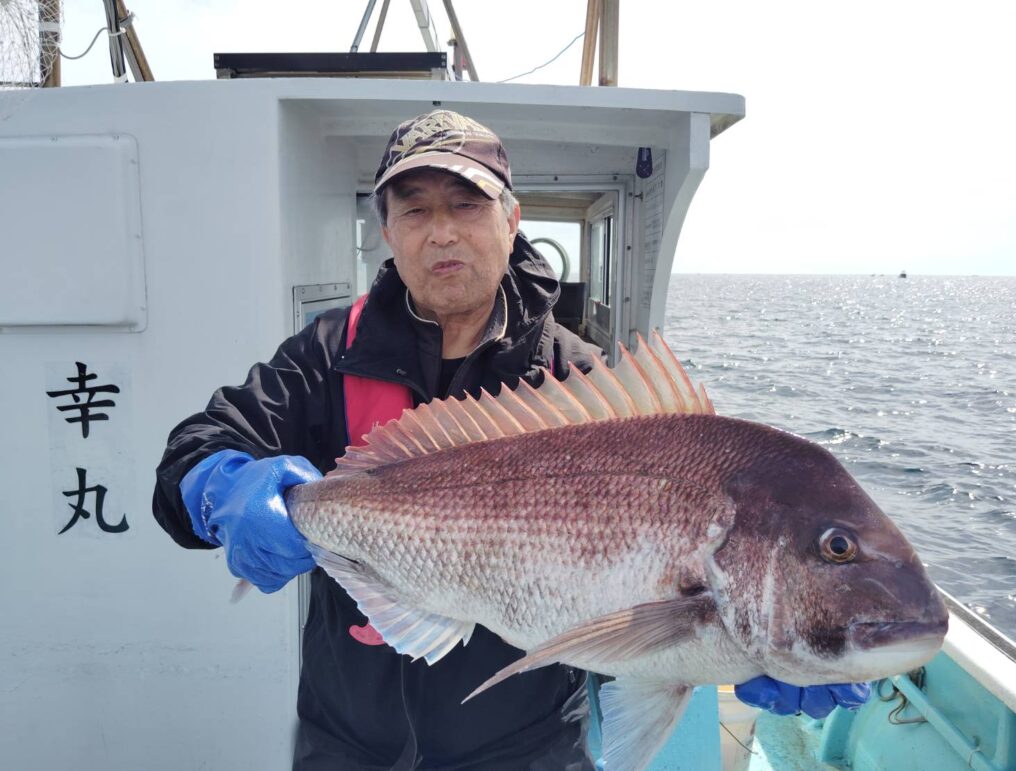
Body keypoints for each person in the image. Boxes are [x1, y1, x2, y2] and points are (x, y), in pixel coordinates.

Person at [152, 110, 868, 770]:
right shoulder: (324, 353)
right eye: (416, 210)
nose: (443, 232)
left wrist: (754, 647)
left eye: (467, 205)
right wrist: (219, 488)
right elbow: (196, 447)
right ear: (389, 231)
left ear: (512, 218)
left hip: (525, 750)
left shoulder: (579, 382)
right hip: (346, 743)